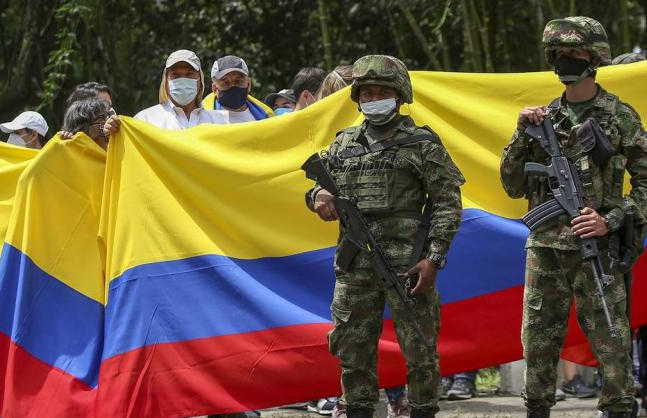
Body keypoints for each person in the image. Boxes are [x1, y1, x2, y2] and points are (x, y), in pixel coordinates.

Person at [500, 16, 647, 418]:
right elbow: (513, 187)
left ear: (595, 57)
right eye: (559, 54)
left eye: (575, 53)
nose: (566, 60)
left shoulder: (619, 115)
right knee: (538, 341)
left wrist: (611, 218)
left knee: (611, 342)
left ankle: (618, 409)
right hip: (546, 247)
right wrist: (519, 135)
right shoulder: (541, 119)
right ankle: (536, 409)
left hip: (598, 249)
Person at [305, 55, 464, 418]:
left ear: (399, 94)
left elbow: (447, 204)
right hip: (355, 265)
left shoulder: (422, 143)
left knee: (421, 352)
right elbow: (315, 189)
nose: (374, 98)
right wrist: (319, 198)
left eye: (382, 91)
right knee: (351, 351)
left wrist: (434, 259)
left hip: (408, 268)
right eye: (367, 92)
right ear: (357, 97)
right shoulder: (343, 143)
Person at [135, 49, 226, 129]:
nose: (182, 80)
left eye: (189, 74)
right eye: (175, 75)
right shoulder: (146, 120)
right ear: (165, 81)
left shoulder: (219, 122)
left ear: (200, 80)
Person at [201, 55, 273, 122]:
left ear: (248, 84)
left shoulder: (267, 117)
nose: (233, 86)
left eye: (238, 81)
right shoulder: (202, 118)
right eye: (226, 82)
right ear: (214, 88)